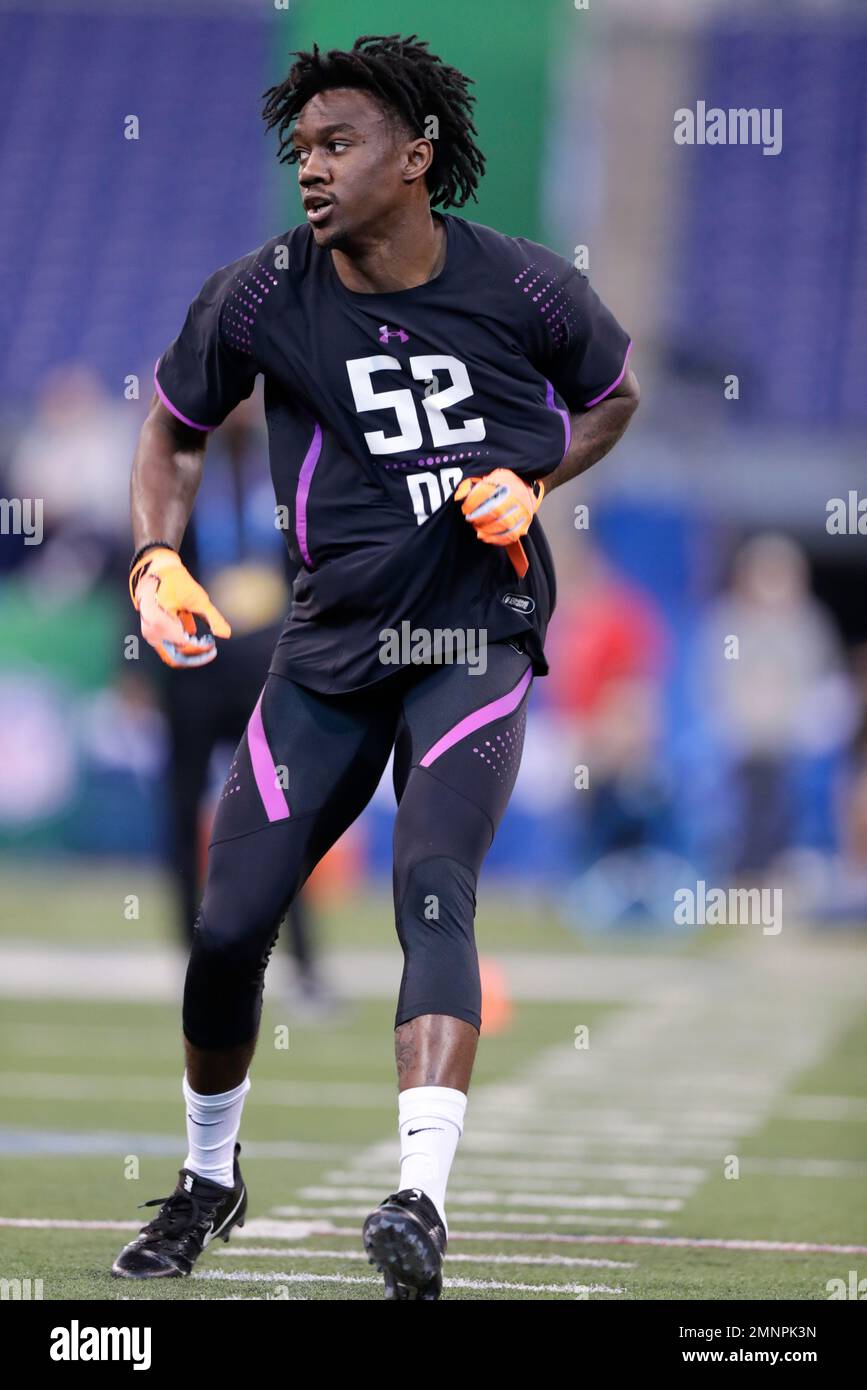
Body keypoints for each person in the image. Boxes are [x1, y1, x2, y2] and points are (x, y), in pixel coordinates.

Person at [111, 34, 639, 1299]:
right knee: (228, 924)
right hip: (331, 648)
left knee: (435, 888)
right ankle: (206, 1180)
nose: (311, 168)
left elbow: (612, 394)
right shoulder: (257, 294)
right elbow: (172, 430)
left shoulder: (525, 286)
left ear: (418, 158)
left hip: (472, 636)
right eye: (300, 148)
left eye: (338, 144)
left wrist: (539, 473)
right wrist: (151, 559)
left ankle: (419, 1198)